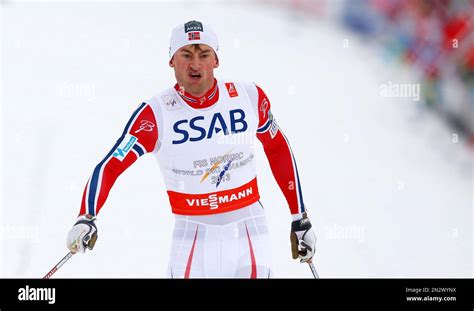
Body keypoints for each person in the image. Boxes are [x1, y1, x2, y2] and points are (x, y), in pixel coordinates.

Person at [66, 20, 316, 278]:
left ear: (216, 60)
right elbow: (110, 166)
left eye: (204, 54)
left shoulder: (248, 96)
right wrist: (87, 215)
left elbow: (278, 148)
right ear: (172, 61)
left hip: (249, 232)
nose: (195, 64)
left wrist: (300, 216)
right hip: (191, 238)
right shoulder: (155, 113)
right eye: (186, 55)